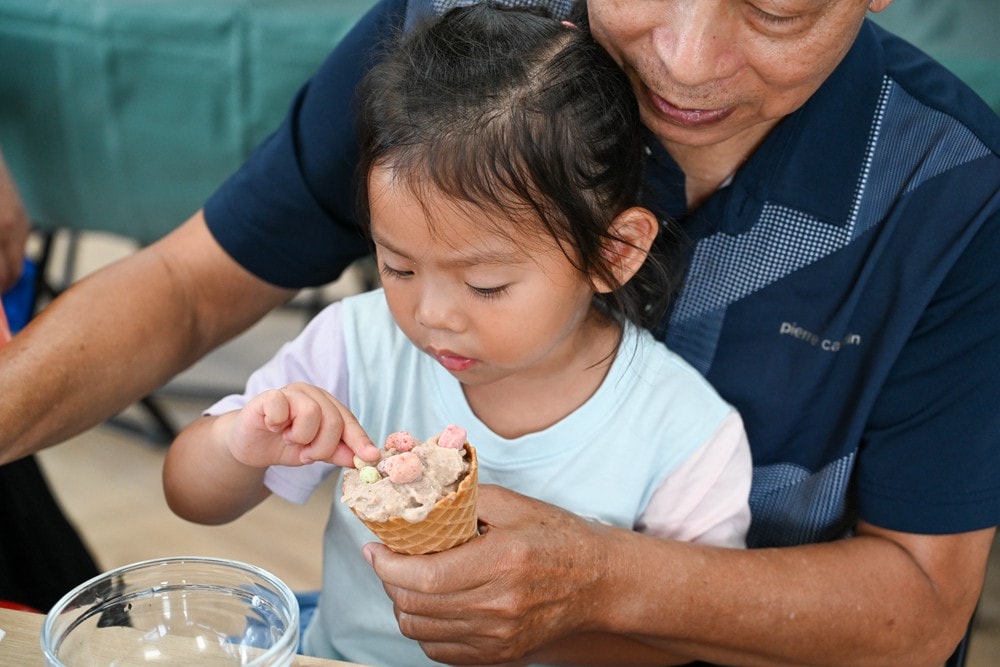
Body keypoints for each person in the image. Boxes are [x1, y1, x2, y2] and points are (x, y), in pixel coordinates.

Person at [2, 0, 998, 664]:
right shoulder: (465, 47)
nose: (688, 62)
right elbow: (188, 284)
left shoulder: (953, 191)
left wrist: (598, 584)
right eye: (399, 267)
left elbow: (919, 606)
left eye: (775, 5)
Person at [163, 7, 751, 664]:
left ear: (614, 251)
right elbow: (190, 495)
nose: (433, 314)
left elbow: (693, 635)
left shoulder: (685, 432)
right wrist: (240, 443)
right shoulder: (358, 345)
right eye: (398, 266)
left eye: (487, 285)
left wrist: (553, 617)